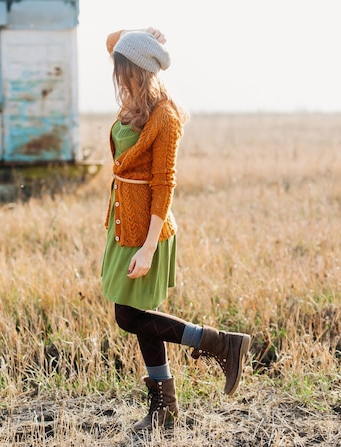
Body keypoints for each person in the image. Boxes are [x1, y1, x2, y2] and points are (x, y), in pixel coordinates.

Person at [100, 27, 252, 431]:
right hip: (123, 225)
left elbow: (164, 183)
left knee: (127, 316)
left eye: (122, 70)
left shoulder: (165, 116)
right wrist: (141, 32)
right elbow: (111, 40)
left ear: (136, 70)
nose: (116, 77)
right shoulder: (133, 102)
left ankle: (218, 342)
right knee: (137, 313)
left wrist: (148, 247)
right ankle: (164, 410)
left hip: (146, 231)